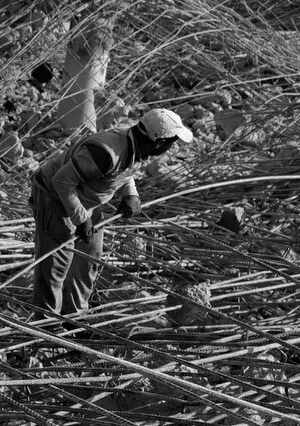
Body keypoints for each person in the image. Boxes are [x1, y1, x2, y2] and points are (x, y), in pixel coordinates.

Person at [30, 109, 194, 321]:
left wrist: (131, 194)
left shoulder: (135, 144)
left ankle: (75, 317)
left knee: (88, 259)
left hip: (84, 200)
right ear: (158, 143)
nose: (172, 146)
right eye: (171, 142)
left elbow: (125, 170)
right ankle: (46, 324)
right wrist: (80, 218)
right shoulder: (105, 153)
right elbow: (61, 182)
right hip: (54, 197)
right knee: (55, 265)